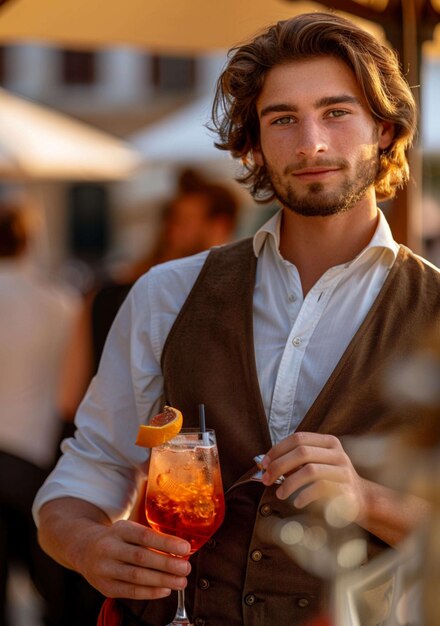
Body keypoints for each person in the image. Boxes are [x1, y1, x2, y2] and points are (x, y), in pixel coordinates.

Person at [33, 12, 440, 626]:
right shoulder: (167, 293)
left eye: (337, 112)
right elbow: (86, 476)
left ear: (384, 130)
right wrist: (89, 545)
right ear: (251, 143)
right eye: (282, 119)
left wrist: (367, 499)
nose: (311, 144)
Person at [0, 204, 81, 626]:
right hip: (37, 456)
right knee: (51, 586)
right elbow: (74, 386)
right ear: (29, 240)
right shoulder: (62, 302)